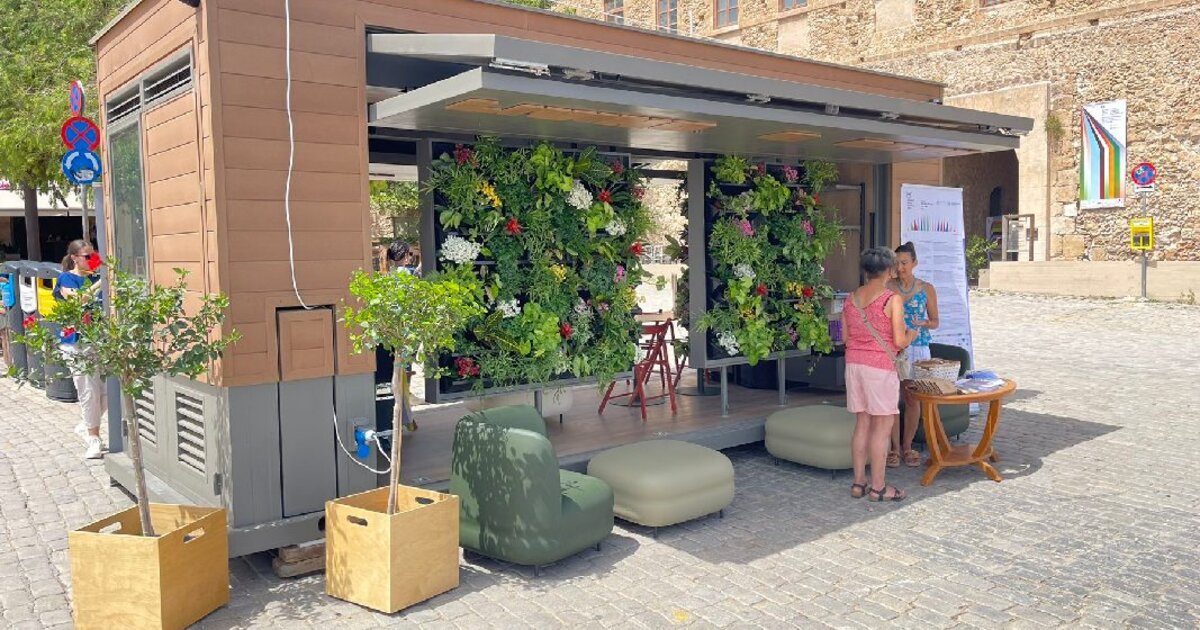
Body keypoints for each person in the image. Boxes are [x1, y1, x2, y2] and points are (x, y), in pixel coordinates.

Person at [842, 247, 919, 502]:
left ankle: (858, 483)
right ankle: (878, 488)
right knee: (882, 428)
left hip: (854, 365)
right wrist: (911, 335)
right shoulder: (891, 299)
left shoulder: (850, 299)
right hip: (880, 368)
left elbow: (844, 337)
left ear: (866, 270)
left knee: (862, 424)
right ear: (889, 270)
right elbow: (899, 341)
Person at [886, 241, 940, 468]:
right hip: (894, 347)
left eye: (904, 263)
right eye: (897, 263)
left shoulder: (927, 288)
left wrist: (924, 323)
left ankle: (907, 446)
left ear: (914, 263)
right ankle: (894, 449)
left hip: (917, 347)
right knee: (892, 399)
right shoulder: (888, 286)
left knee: (912, 398)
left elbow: (935, 322)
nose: (900, 268)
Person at [54, 239, 107, 460]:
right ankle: (94, 438)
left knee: (108, 392)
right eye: (88, 256)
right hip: (75, 341)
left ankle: (86, 424)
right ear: (75, 258)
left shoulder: (96, 278)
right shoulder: (66, 279)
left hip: (98, 339)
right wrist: (101, 282)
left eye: (94, 255)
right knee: (89, 391)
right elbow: (78, 301)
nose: (93, 260)